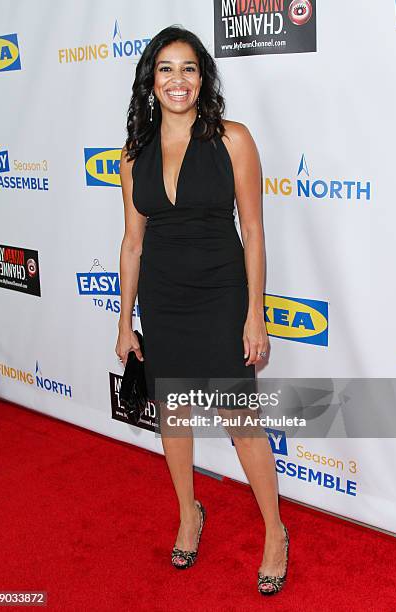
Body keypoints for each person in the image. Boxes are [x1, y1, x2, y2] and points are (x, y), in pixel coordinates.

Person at [115, 25, 289, 596]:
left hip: (221, 298)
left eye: (188, 68)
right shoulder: (132, 154)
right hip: (163, 303)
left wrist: (255, 314)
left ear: (203, 77)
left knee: (242, 424)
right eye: (165, 69)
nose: (177, 80)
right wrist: (125, 322)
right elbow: (133, 242)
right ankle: (190, 514)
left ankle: (275, 532)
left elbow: (255, 232)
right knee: (175, 417)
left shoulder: (232, 139)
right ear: (150, 82)